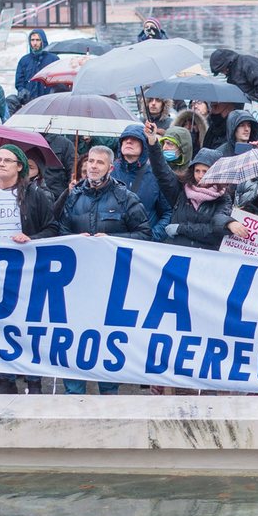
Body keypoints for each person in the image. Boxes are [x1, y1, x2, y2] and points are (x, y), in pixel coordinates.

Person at [0, 146, 59, 394]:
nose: (1, 164)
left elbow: (52, 228)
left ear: (19, 166)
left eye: (8, 160)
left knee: (28, 326)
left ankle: (33, 381)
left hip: (26, 271)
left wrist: (31, 238)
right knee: (1, 324)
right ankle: (6, 379)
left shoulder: (35, 194)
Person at [58, 145, 150, 395]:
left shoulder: (125, 197)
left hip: (111, 282)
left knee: (106, 339)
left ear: (110, 168)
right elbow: (62, 231)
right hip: (78, 279)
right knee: (75, 336)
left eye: (99, 163)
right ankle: (73, 392)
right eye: (90, 162)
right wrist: (78, 240)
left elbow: (145, 234)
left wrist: (111, 239)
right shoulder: (75, 195)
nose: (93, 166)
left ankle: (109, 392)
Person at [145, 126, 232, 251]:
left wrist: (181, 228)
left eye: (205, 171)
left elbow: (213, 231)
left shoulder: (223, 199)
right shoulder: (182, 190)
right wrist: (153, 143)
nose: (201, 176)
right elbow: (162, 171)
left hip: (203, 260)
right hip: (175, 254)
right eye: (197, 171)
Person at [111, 124, 173, 242]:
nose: (128, 141)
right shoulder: (109, 171)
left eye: (134, 139)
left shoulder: (155, 175)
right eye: (125, 138)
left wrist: (152, 236)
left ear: (144, 145)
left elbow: (168, 212)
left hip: (143, 246)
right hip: (113, 243)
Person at [13, 29, 59, 101]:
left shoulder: (53, 59)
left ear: (43, 41)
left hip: (49, 100)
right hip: (29, 101)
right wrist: (22, 91)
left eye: (38, 40)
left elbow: (59, 80)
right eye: (32, 40)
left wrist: (54, 91)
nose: (35, 43)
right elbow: (19, 82)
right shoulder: (24, 60)